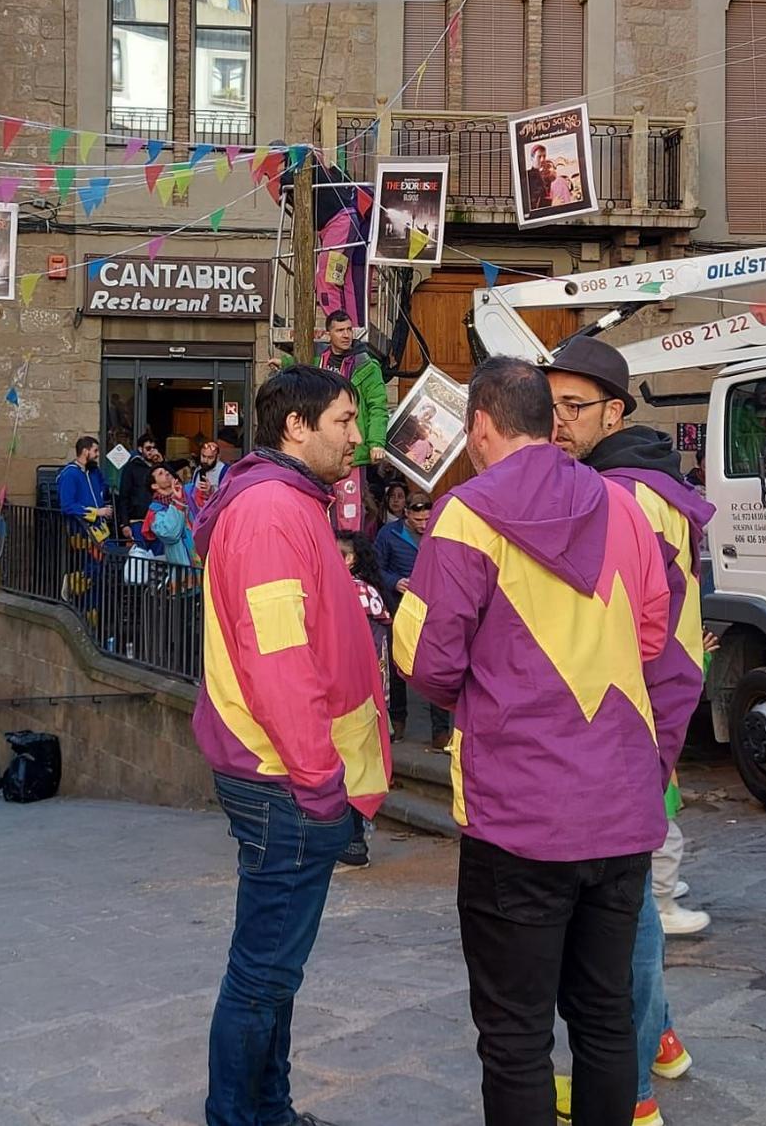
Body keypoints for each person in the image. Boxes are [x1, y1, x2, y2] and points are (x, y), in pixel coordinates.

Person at [395, 358, 688, 1126]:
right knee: (604, 1018)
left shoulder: (465, 515)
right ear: (550, 422)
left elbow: (427, 662)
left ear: (481, 426)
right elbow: (662, 650)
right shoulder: (630, 511)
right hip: (620, 809)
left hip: (519, 814)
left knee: (516, 1035)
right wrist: (644, 764)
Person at [192, 366, 391, 1126]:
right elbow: (280, 663)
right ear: (294, 428)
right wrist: (318, 780)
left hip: (286, 773)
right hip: (286, 777)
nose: (357, 435)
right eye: (344, 420)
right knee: (263, 974)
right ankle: (242, 1118)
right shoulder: (275, 512)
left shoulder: (284, 504)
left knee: (273, 972)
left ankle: (268, 1111)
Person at [545, 336, 713, 1126]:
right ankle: (664, 1041)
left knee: (626, 913)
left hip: (629, 722)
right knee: (631, 897)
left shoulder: (623, 497)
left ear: (615, 411)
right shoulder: (638, 482)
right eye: (549, 407)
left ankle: (633, 1088)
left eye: (573, 408)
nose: (557, 423)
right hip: (647, 715)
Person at [284, 312, 390, 541]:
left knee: (349, 513)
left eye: (349, 329)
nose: (346, 335)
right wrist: (284, 364)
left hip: (350, 452)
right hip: (319, 448)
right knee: (320, 508)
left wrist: (376, 442)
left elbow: (378, 406)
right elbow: (300, 369)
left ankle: (350, 568)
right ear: (327, 333)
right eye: (340, 330)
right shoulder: (318, 361)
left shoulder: (367, 366)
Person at [374, 492, 449, 749]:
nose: (423, 524)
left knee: (436, 668)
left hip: (434, 609)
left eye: (427, 518)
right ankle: (398, 721)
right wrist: (395, 581)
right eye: (418, 519)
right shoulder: (388, 535)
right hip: (399, 609)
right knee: (397, 669)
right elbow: (375, 567)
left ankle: (440, 731)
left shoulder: (441, 530)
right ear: (406, 513)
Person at [335, 530, 389, 872]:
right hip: (361, 696)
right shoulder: (362, 593)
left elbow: (364, 650)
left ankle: (352, 841)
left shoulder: (354, 594)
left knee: (349, 769)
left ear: (351, 559)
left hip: (350, 696)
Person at [57, 436, 114, 612]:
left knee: (103, 569)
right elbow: (67, 506)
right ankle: (73, 583)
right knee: (94, 569)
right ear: (85, 451)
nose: (97, 455)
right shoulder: (69, 474)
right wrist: (97, 512)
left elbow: (103, 489)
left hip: (101, 530)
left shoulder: (94, 472)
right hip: (81, 532)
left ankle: (92, 609)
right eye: (95, 451)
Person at [144, 464, 196, 568]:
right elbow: (169, 534)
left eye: (166, 471)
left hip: (200, 556)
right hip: (182, 566)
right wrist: (177, 503)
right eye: (161, 473)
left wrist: (208, 492)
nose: (167, 473)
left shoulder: (190, 492)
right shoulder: (155, 510)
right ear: (155, 486)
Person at [117, 431, 162, 530]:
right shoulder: (132, 467)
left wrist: (162, 463)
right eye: (148, 448)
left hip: (158, 520)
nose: (152, 452)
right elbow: (124, 496)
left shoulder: (159, 468)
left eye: (154, 448)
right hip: (138, 521)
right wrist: (125, 523)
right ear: (140, 449)